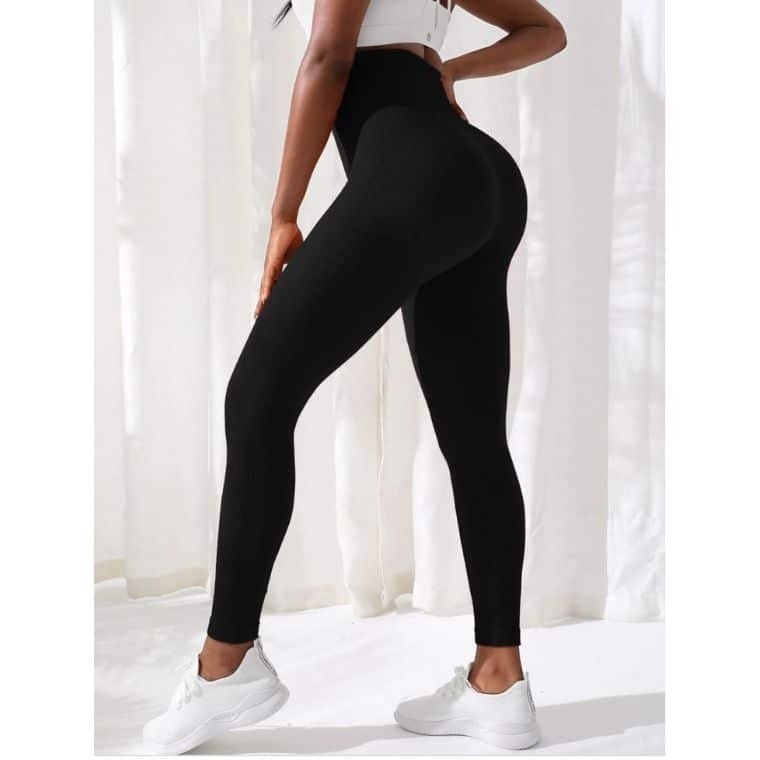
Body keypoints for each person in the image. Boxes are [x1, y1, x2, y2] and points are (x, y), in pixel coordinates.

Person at [142, 0, 566, 753]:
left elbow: (329, 57)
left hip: (416, 171)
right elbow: (545, 31)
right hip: (483, 177)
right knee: (474, 438)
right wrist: (449, 72)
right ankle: (499, 680)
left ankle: (225, 664)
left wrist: (283, 214)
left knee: (258, 398)